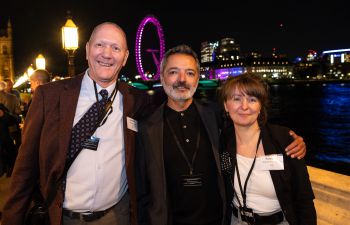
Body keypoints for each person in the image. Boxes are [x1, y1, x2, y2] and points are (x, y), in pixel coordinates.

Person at [136, 45, 306, 225]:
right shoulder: (146, 126)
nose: (182, 79)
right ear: (162, 77)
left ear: (197, 79)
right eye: (173, 72)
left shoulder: (215, 115)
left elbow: (250, 124)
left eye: (190, 73)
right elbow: (141, 188)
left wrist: (290, 138)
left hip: (219, 220)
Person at [2, 22, 149, 225]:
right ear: (87, 50)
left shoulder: (137, 100)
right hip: (62, 217)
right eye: (100, 45)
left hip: (117, 216)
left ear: (125, 57)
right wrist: (12, 218)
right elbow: (26, 166)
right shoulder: (49, 96)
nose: (107, 54)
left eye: (116, 48)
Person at [220, 73, 316, 225]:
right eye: (236, 99)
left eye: (252, 99)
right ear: (226, 105)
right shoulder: (221, 141)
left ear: (260, 106)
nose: (244, 106)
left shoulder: (283, 140)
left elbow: (303, 198)